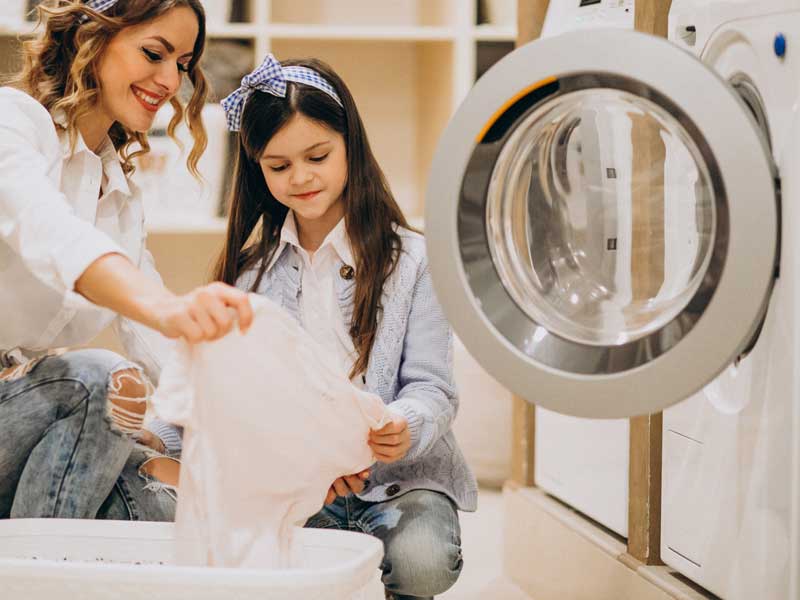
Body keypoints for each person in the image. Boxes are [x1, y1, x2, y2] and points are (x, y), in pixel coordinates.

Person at [212, 53, 478, 599]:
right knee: (261, 561)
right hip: (302, 483)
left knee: (423, 562)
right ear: (258, 169)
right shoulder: (249, 275)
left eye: (317, 155)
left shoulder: (417, 260)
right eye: (278, 166)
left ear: (350, 146)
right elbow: (243, 399)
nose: (301, 177)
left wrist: (403, 426)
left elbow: (433, 387)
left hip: (404, 479)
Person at [0, 0, 252, 522]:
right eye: (154, 53)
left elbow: (161, 344)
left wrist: (275, 434)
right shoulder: (12, 125)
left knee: (170, 491)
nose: (168, 81)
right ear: (92, 37)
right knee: (104, 381)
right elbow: (49, 231)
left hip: (20, 408)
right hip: (21, 405)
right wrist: (164, 307)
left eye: (181, 64)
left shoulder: (119, 193)